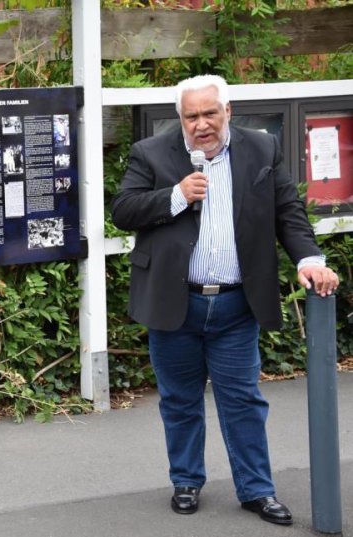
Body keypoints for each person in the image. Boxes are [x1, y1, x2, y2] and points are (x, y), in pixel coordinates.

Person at [111, 74, 339, 526]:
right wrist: (175, 196)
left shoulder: (262, 149)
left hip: (236, 306)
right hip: (176, 302)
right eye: (191, 116)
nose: (201, 124)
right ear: (180, 119)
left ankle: (257, 490)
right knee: (180, 400)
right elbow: (123, 210)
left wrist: (309, 259)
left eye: (210, 113)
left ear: (228, 111)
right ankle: (186, 481)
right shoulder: (151, 153)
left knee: (243, 400)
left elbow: (288, 212)